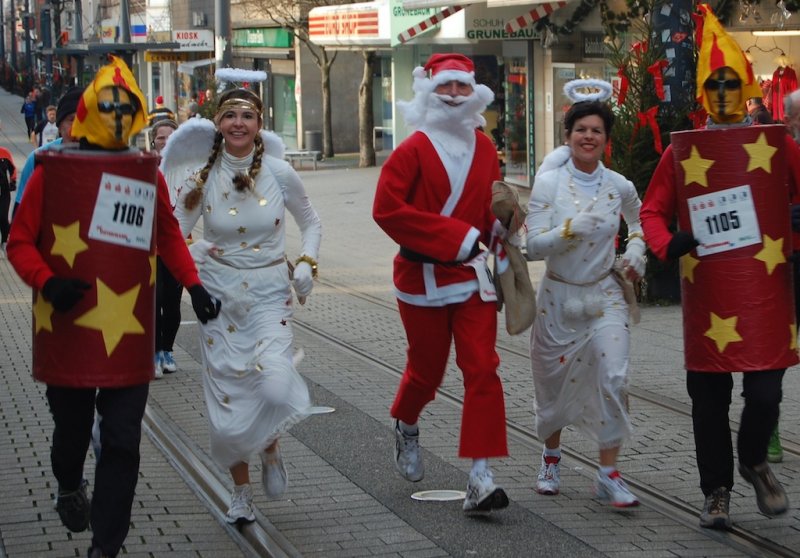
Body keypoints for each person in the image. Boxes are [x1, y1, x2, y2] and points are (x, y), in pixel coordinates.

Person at [6, 55, 220, 558]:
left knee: (123, 440)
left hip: (128, 333)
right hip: (69, 330)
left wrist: (194, 287)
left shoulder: (144, 174)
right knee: (72, 432)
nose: (119, 123)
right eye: (110, 113)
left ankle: (106, 547)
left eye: (127, 114)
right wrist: (47, 283)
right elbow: (19, 242)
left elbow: (168, 235)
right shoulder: (52, 171)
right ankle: (68, 484)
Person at [640, 5, 797, 530]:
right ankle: (716, 492)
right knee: (708, 399)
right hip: (707, 295)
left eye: (732, 83)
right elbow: (652, 211)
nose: (724, 93)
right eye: (714, 85)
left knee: (766, 393)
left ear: (746, 86)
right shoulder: (685, 151)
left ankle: (754, 460)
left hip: (764, 295)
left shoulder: (775, 144)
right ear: (703, 94)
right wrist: (668, 244)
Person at [167, 71, 321, 524]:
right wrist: (194, 254)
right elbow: (170, 236)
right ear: (217, 123)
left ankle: (270, 444)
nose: (238, 123)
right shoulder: (200, 179)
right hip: (218, 300)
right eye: (230, 115)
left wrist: (308, 262)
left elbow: (311, 222)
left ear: (259, 124)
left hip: (271, 295)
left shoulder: (280, 173)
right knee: (230, 400)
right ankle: (241, 492)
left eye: (247, 116)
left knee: (274, 386)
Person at [372, 53, 511, 514]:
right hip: (421, 278)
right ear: (429, 93)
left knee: (483, 369)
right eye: (445, 87)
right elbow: (386, 210)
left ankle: (480, 476)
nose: (453, 95)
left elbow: (488, 211)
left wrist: (504, 227)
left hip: (471, 278)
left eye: (462, 87)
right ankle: (406, 423)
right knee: (426, 373)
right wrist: (457, 237)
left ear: (475, 93)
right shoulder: (412, 149)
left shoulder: (485, 149)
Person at [525, 81, 645, 508]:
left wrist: (636, 249)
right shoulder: (548, 184)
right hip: (558, 299)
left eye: (596, 130)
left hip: (605, 295)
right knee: (553, 386)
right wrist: (570, 230)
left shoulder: (619, 185)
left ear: (606, 138)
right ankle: (551, 458)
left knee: (614, 376)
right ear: (568, 135)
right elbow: (531, 246)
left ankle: (609, 474)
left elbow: (639, 221)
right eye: (581, 130)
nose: (588, 137)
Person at [12, 87, 83, 218]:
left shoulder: (105, 161)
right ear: (59, 126)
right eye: (72, 119)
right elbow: (20, 214)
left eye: (84, 120)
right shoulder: (37, 159)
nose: (78, 128)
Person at [150, 118, 181, 378]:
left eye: (171, 136)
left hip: (178, 245)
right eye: (161, 137)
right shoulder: (145, 166)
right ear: (153, 141)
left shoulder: (188, 169)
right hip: (150, 248)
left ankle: (168, 349)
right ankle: (156, 351)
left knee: (172, 304)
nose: (165, 141)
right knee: (155, 300)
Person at [0, 145, 16, 252]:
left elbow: (12, 169)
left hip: (4, 192)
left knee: (3, 217)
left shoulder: (4, 153)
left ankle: (4, 241)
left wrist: (13, 181)